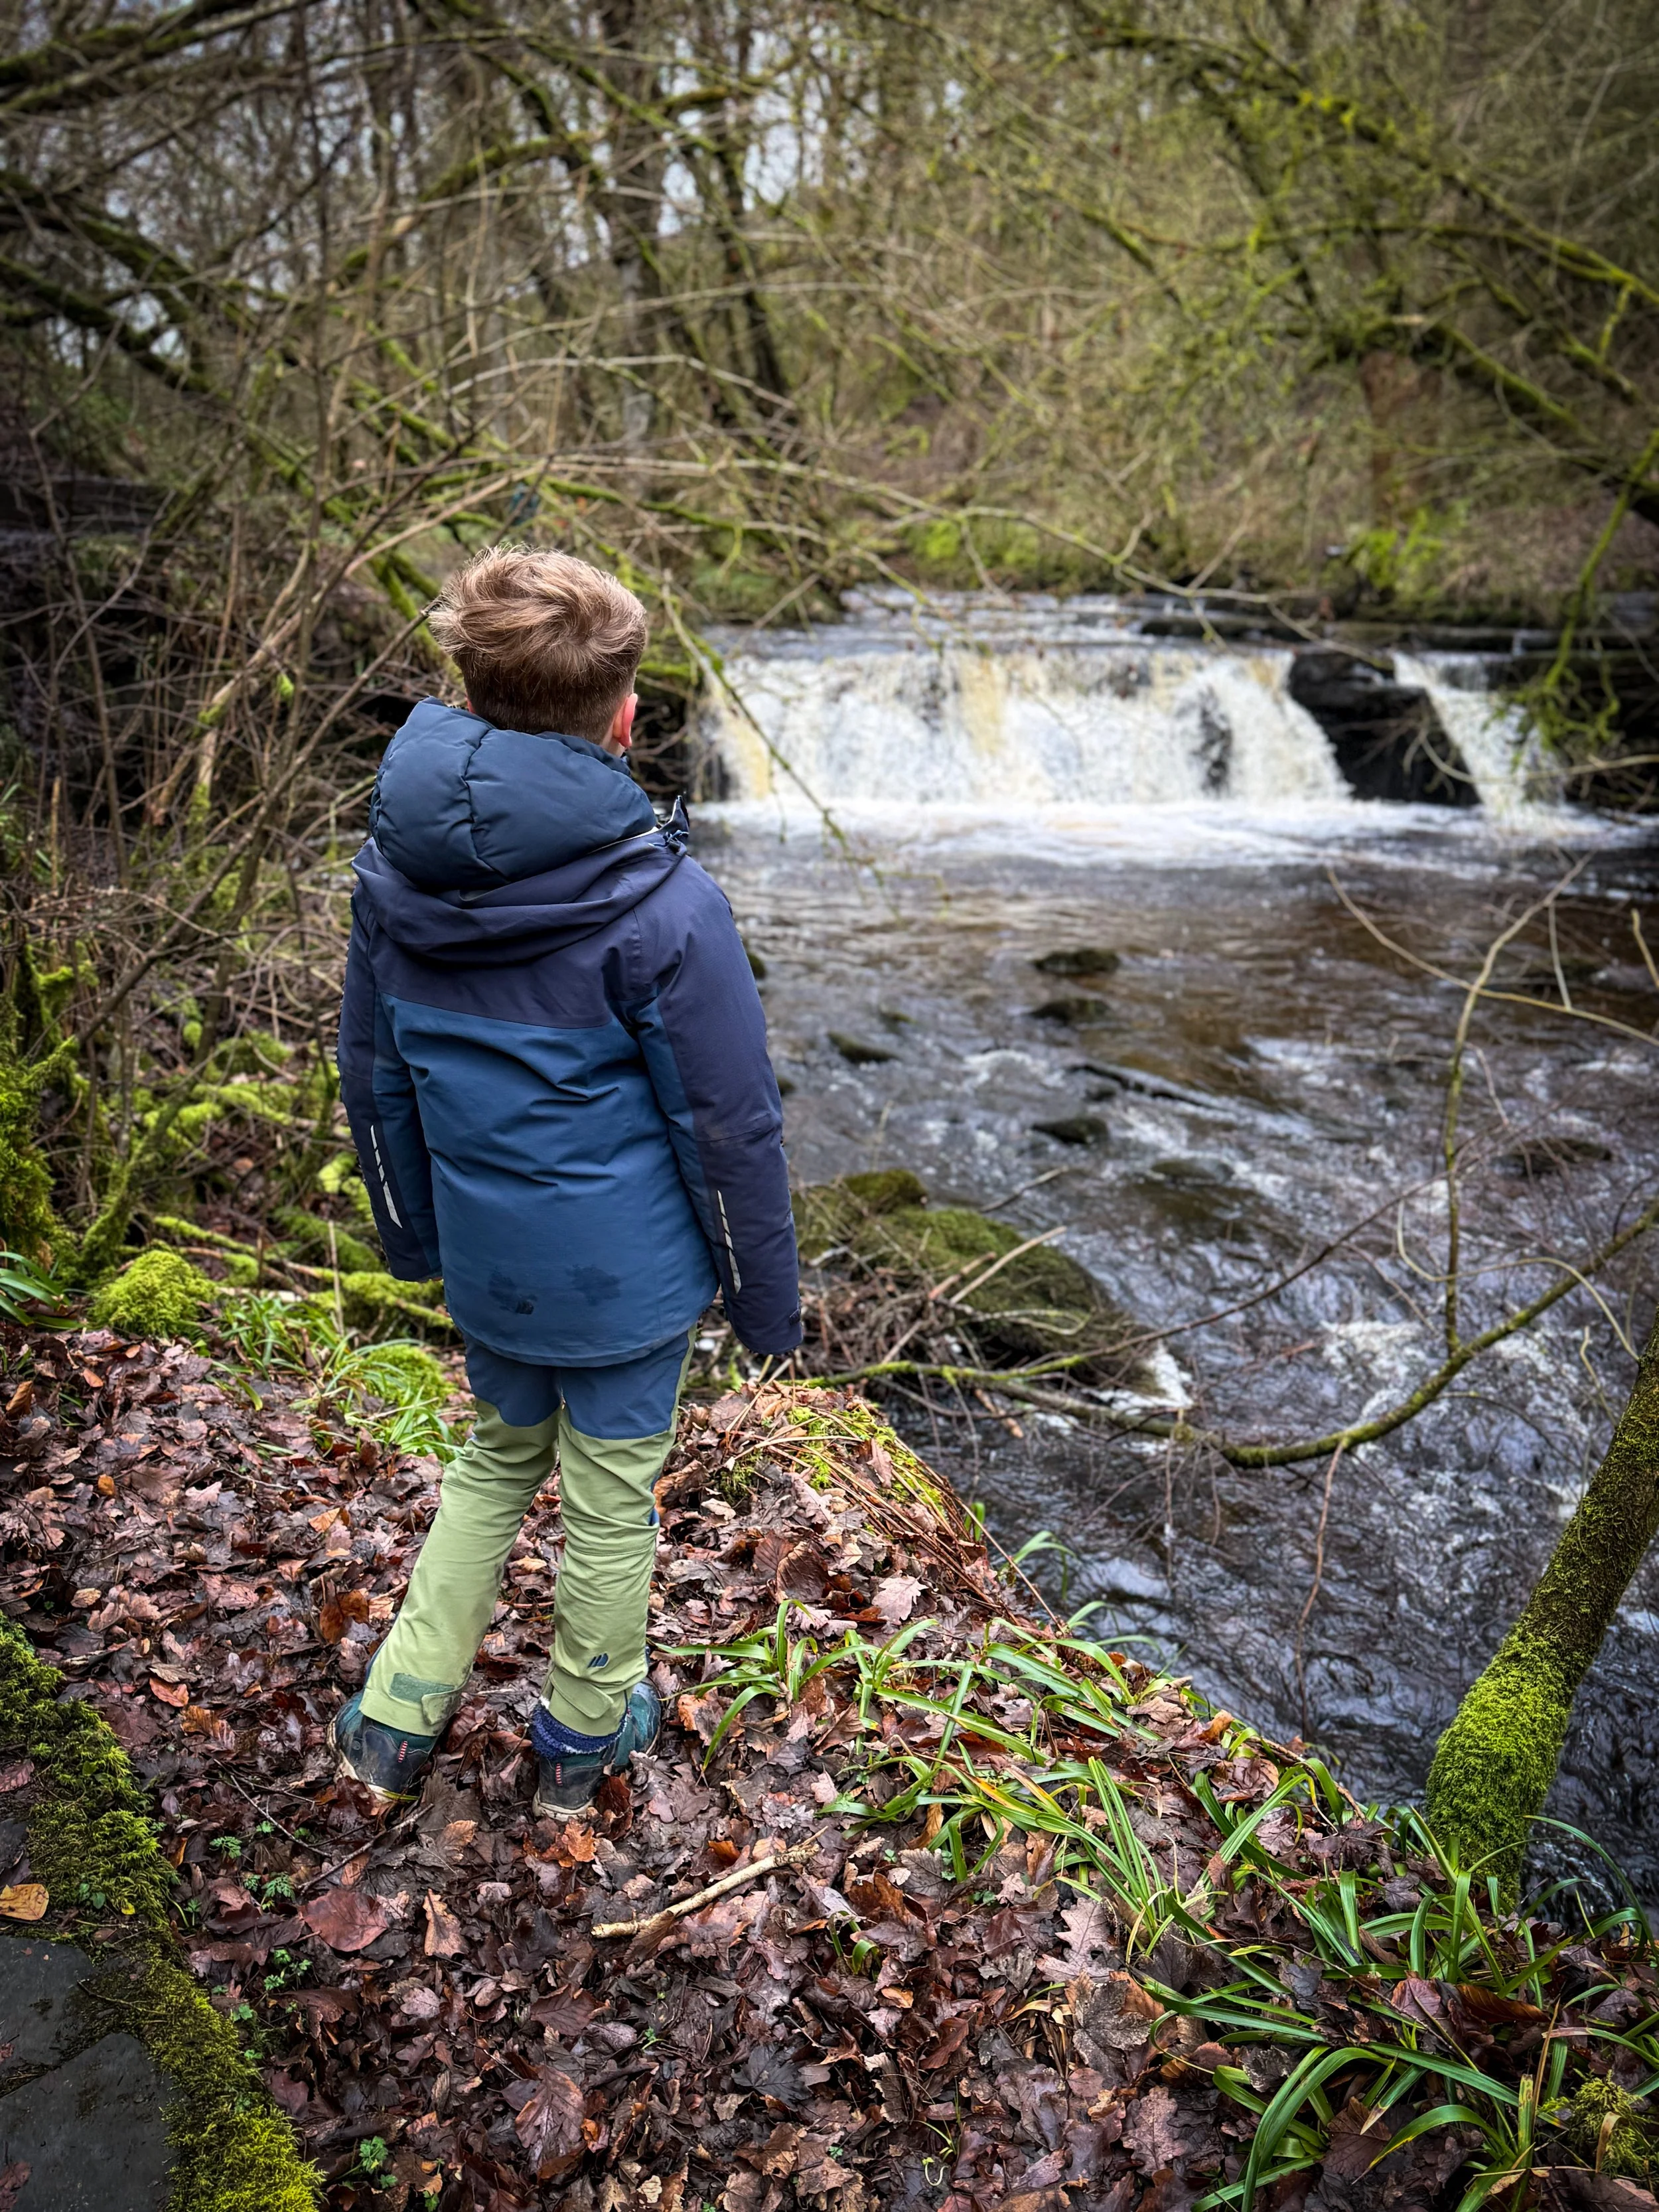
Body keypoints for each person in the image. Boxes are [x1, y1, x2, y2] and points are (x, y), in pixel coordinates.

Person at [331, 545, 801, 1812]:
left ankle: (394, 1716)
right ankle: (585, 1732)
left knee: (495, 1460)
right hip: (625, 1278)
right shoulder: (666, 906)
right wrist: (766, 1307)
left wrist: (415, 1239)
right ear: (628, 718)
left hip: (491, 1263)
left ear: (468, 697)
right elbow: (731, 1129)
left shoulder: (393, 882)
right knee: (608, 1495)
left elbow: (375, 1086)